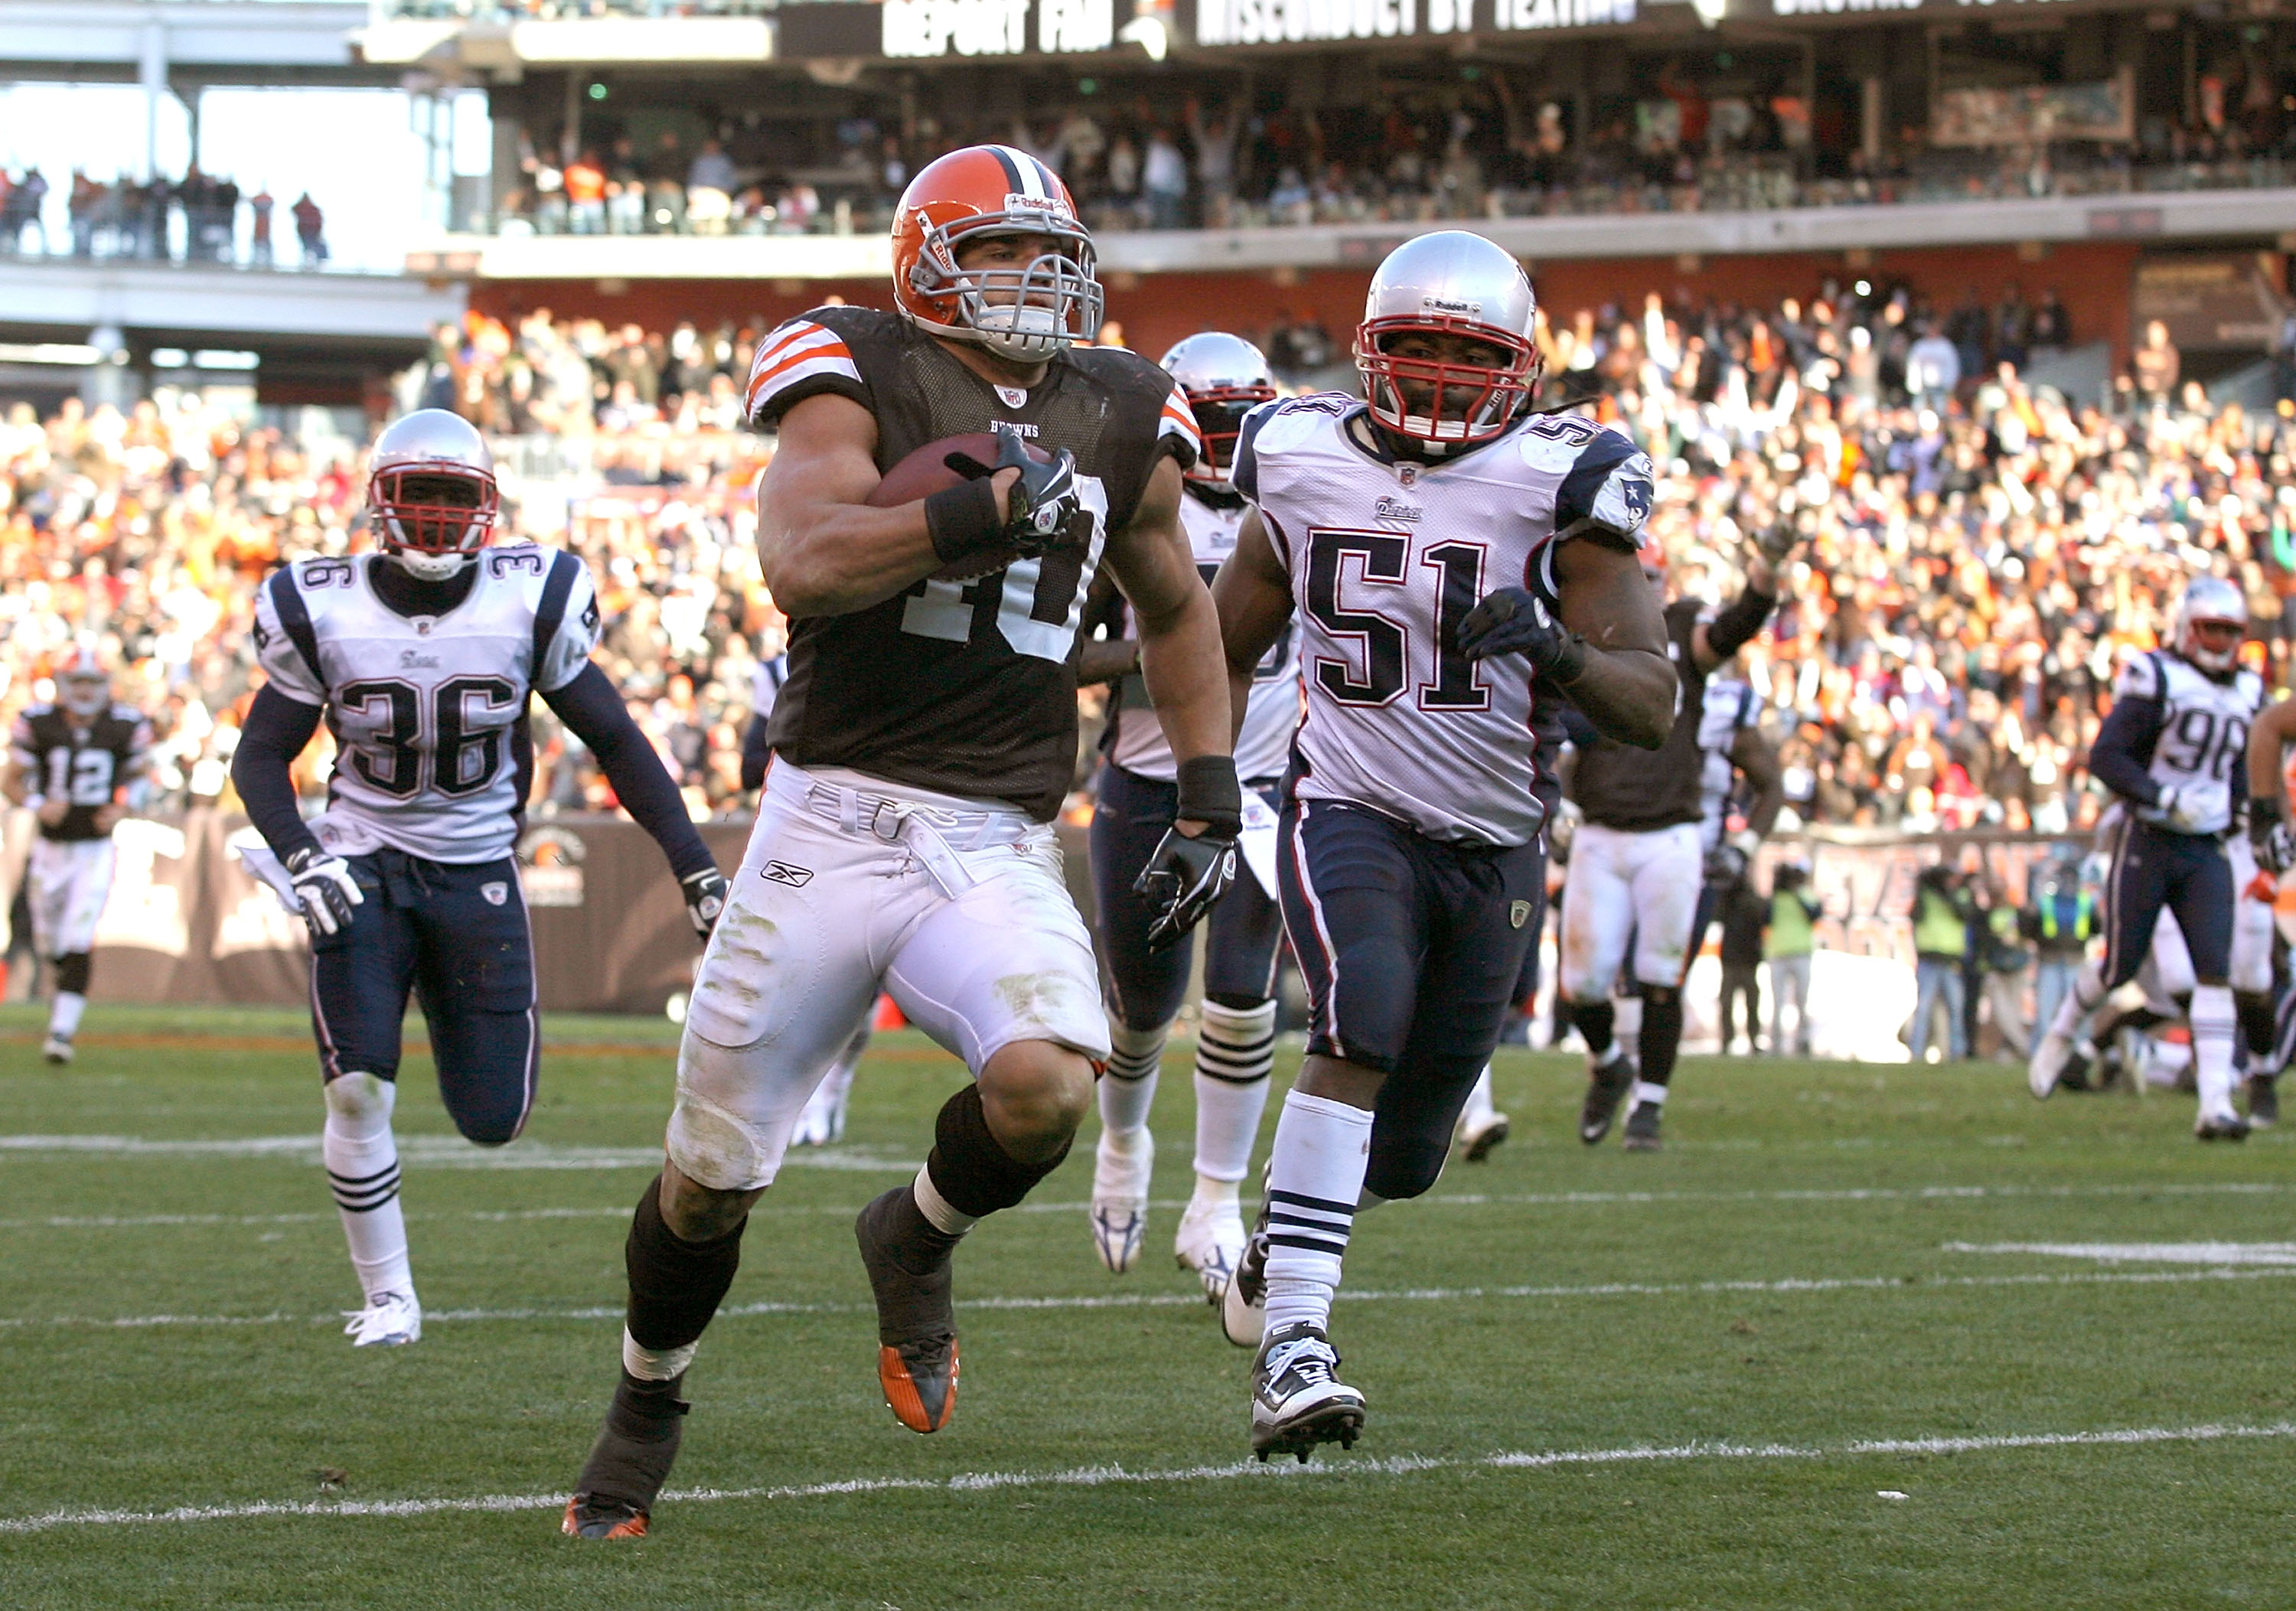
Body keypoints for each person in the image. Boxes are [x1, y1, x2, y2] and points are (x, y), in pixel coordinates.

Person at [563, 145, 1235, 1540]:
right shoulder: (852, 365)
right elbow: (803, 561)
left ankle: (914, 1232)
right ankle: (646, 1400)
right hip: (827, 816)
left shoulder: (1116, 406)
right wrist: (976, 511)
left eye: (1053, 251)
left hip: (991, 829)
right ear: (926, 257)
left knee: (1052, 1081)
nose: (1037, 278)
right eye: (999, 250)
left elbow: (1176, 606)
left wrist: (1210, 790)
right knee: (704, 1186)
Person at [1209, 230, 1677, 1461]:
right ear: (1368, 349)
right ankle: (1296, 1346)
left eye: (1463, 354)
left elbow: (1651, 699)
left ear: (1521, 366)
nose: (1434, 376)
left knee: (1409, 1157)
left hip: (1497, 843)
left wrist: (1559, 648)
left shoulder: (1564, 479)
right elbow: (1215, 650)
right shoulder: (1298, 458)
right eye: (1412, 347)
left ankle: (1285, 1235)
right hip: (1346, 804)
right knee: (1361, 1011)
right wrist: (1203, 800)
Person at [232, 409, 730, 1349]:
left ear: (487, 508)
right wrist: (302, 854)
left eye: (453, 496)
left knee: (493, 1117)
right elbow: (260, 758)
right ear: (378, 501)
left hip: (476, 870)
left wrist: (695, 866)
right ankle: (390, 1296)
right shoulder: (319, 602)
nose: (432, 517)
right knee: (356, 1090)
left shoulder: (531, 595)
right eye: (416, 494)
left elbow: (615, 739)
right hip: (362, 858)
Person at [1084, 331, 1290, 1299]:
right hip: (1151, 781)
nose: (1229, 437)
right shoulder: (1129, 509)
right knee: (1140, 1008)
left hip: (1263, 787)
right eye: (1213, 417)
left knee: (1245, 993)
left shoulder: (1296, 510)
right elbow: (1059, 650)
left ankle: (1215, 1199)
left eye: (1244, 416)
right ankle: (1123, 1144)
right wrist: (1170, 649)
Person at [1554, 528, 1793, 1153]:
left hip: (1671, 835)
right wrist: (1561, 802)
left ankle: (1649, 1107)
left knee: (1661, 975)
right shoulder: (1586, 628)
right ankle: (1609, 1065)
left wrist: (1765, 577)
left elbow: (1733, 628)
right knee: (1580, 985)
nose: (1645, 589)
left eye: (1652, 577)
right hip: (1601, 832)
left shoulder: (1680, 634)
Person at [2030, 577, 2262, 1138]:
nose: (2220, 641)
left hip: (2206, 843)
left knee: (2215, 970)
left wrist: (2241, 810)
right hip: (2151, 836)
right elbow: (2107, 755)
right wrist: (2162, 795)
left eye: (2230, 631)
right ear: (2186, 625)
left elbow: (2238, 765)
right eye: (2212, 628)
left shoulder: (2249, 689)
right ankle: (2060, 1037)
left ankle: (2214, 1105)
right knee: (2120, 965)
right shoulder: (2155, 674)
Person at [739, 630, 869, 1150]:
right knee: (785, 969)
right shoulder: (776, 674)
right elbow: (751, 765)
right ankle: (789, 1094)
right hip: (801, 833)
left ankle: (832, 1086)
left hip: (869, 833)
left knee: (859, 977)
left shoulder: (887, 660)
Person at [2, 649, 154, 1063]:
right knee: (50, 941)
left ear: (106, 686)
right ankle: (62, 1002)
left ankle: (61, 1034)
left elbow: (141, 779)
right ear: (64, 685)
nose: (85, 690)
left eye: (93, 681)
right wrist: (36, 803)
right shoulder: (38, 722)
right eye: (78, 681)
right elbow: (11, 779)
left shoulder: (126, 725)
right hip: (48, 847)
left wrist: (123, 806)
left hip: (94, 849)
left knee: (78, 938)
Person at [2020, 845, 2095, 1066]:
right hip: (2050, 960)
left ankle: (2079, 1057)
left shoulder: (2084, 902)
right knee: (2046, 1012)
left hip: (2075, 961)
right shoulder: (2047, 902)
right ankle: (2041, 1056)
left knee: (2078, 1012)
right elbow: (2030, 929)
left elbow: (2096, 927)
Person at [1908, 862, 1975, 1061]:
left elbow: (1964, 914)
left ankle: (1957, 1052)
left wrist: (1948, 893)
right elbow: (1915, 916)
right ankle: (1916, 1051)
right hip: (1929, 957)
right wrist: (1922, 888)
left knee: (1955, 1007)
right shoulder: (1926, 896)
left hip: (1951, 959)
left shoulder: (1959, 895)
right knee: (1924, 1007)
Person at [1765, 859, 1821, 1057]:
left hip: (1801, 952)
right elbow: (1766, 917)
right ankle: (1776, 1045)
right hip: (1778, 952)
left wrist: (1796, 893)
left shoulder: (1805, 895)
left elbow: (1815, 914)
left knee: (1802, 1000)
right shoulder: (1776, 897)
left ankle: (1803, 1042)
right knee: (1777, 1002)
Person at [1716, 860, 1768, 1054]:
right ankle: (1727, 1039)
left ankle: (1753, 1038)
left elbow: (1762, 913)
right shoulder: (1727, 900)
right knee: (1727, 1002)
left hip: (1747, 958)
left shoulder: (1751, 900)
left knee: (1751, 1001)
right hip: (1731, 957)